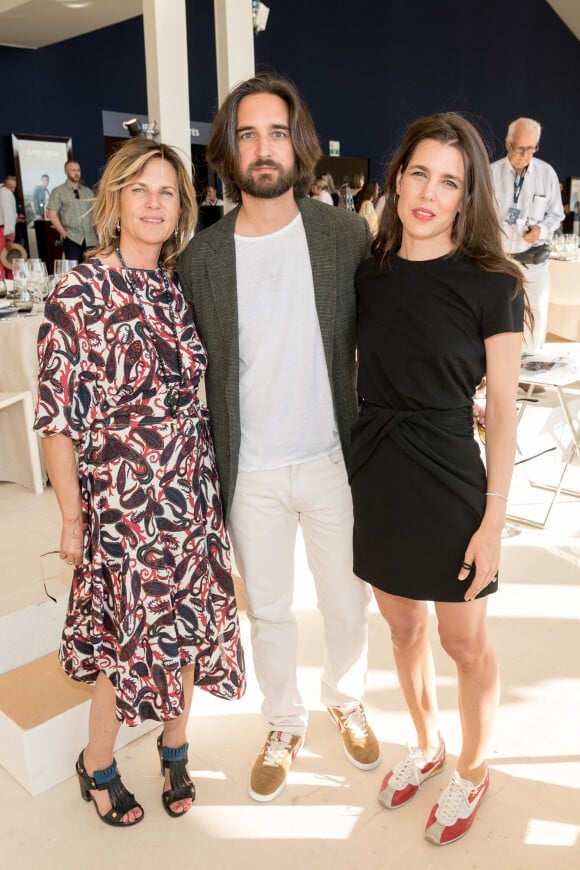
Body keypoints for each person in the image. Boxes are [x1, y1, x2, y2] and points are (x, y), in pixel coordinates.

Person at [178, 72, 378, 804]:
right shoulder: (200, 260)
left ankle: (347, 698)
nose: (263, 148)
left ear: (300, 145)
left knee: (346, 604)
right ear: (229, 150)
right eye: (246, 133)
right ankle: (284, 721)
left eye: (275, 132)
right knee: (267, 610)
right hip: (252, 469)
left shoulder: (344, 236)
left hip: (331, 457)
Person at [34, 138, 245, 827]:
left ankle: (176, 747)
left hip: (190, 495)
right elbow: (57, 417)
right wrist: (72, 517)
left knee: (184, 631)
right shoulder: (79, 289)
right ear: (116, 200)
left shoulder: (179, 284)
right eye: (141, 190)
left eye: (168, 192)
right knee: (124, 646)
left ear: (182, 207)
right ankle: (97, 762)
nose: (155, 204)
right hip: (120, 505)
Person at [349, 113, 528, 845]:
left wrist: (493, 523)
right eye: (419, 173)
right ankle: (425, 746)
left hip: (453, 476)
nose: (429, 192)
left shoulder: (493, 284)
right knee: (401, 626)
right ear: (397, 179)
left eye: (449, 181)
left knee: (464, 644)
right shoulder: (370, 274)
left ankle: (474, 768)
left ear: (467, 197)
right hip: (379, 471)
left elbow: (507, 414)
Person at [491, 117, 563, 351]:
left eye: (530, 148)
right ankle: (496, 370)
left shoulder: (546, 174)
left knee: (536, 313)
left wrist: (540, 230)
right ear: (507, 143)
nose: (524, 154)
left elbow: (557, 214)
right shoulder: (491, 173)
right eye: (519, 148)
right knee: (497, 314)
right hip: (499, 259)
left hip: (534, 260)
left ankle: (531, 373)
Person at [47, 159, 97, 263]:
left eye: (78, 170)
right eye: (73, 170)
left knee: (92, 271)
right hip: (72, 238)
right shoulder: (58, 191)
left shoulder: (88, 192)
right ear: (66, 172)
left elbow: (96, 213)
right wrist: (64, 234)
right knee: (75, 272)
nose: (76, 173)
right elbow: (51, 214)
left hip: (91, 238)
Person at [0, 175, 17, 279]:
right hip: (5, 231)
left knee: (5, 260)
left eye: (14, 187)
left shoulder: (4, 192)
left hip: (4, 230)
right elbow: (8, 214)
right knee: (6, 261)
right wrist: (8, 237)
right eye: (11, 187)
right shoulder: (6, 193)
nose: (13, 190)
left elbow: (8, 215)